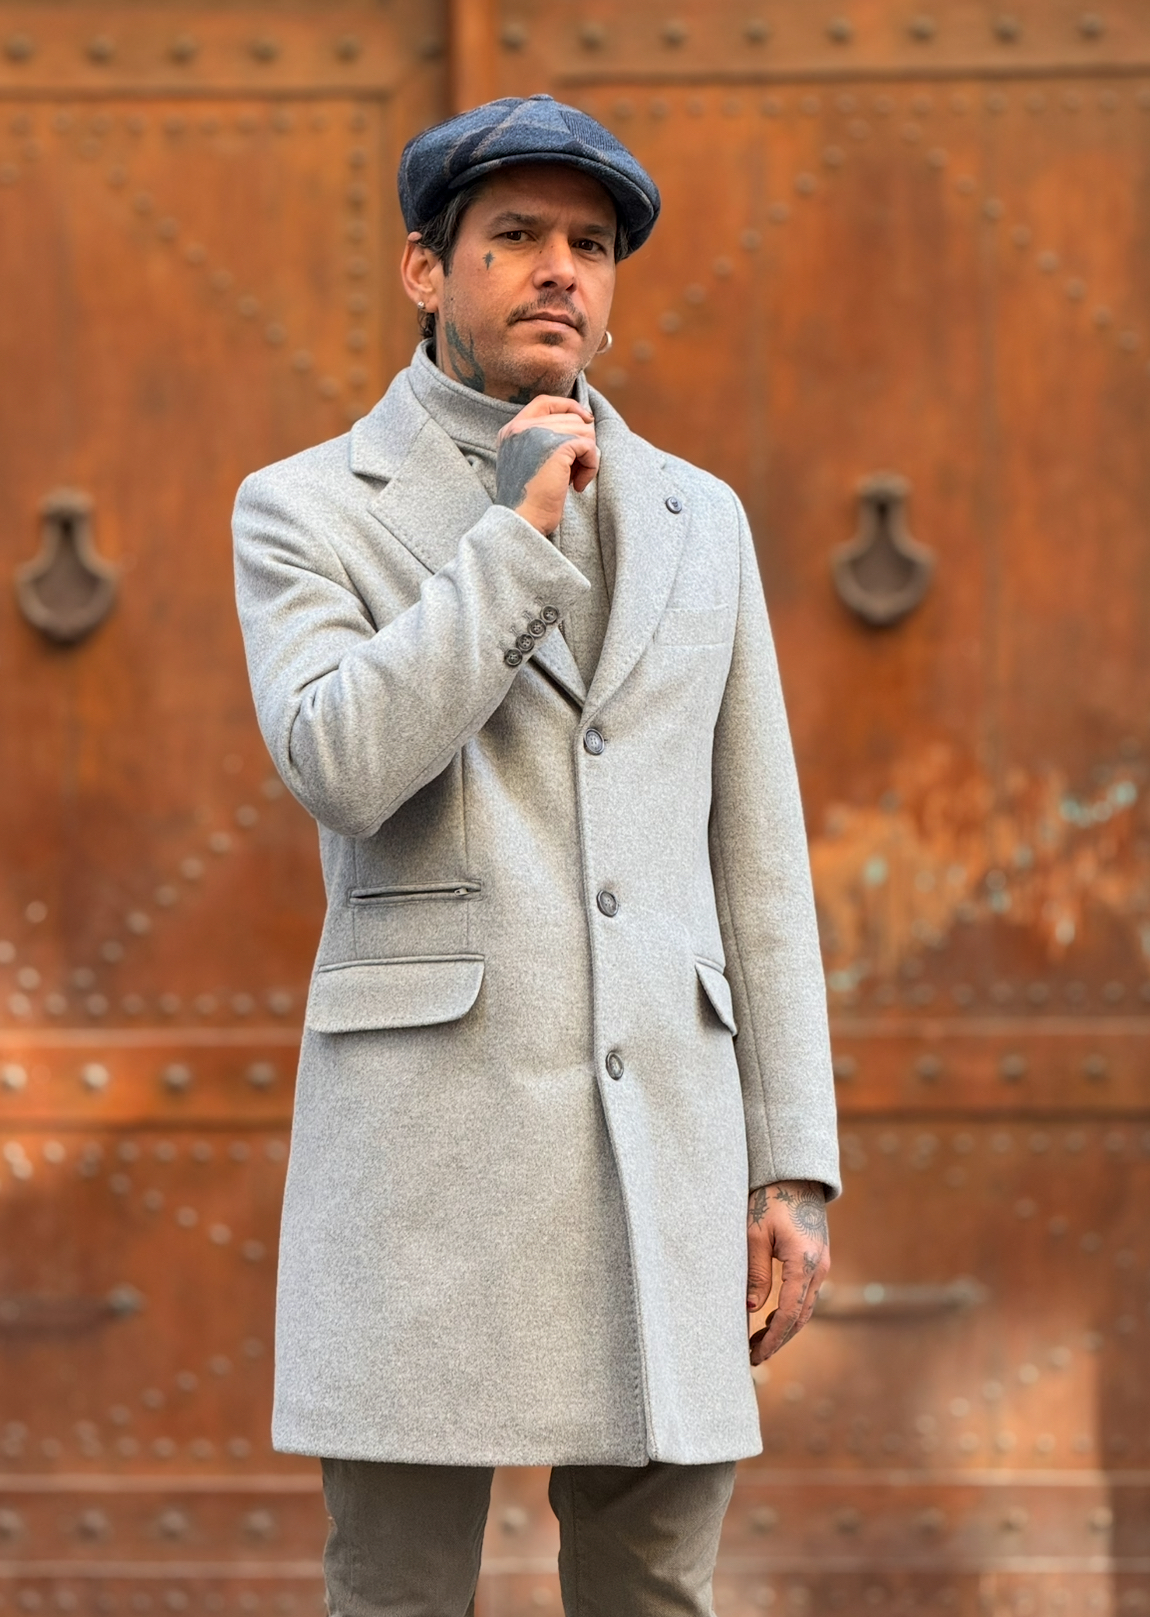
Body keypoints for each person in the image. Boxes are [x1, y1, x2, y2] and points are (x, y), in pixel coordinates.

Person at [232, 93, 840, 1617]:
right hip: (425, 1167)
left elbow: (758, 859)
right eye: (514, 236)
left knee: (656, 1593)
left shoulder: (702, 520)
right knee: (397, 1595)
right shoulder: (307, 508)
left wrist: (794, 1167)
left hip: (666, 1164)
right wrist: (509, 540)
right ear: (425, 270)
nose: (560, 268)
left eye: (590, 244)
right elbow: (340, 763)